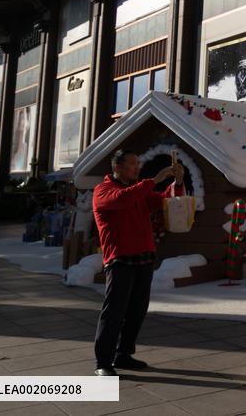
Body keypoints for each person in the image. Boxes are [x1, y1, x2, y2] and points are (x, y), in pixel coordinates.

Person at [92, 149, 184, 376]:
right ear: (117, 167)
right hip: (120, 259)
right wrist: (154, 180)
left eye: (138, 163)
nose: (137, 167)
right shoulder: (103, 190)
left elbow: (166, 201)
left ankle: (123, 354)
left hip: (144, 258)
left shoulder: (139, 191)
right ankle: (103, 362)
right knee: (114, 312)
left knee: (136, 311)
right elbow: (123, 199)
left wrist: (177, 181)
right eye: (133, 163)